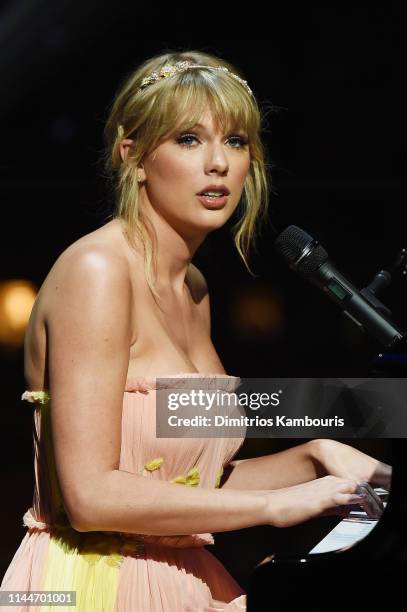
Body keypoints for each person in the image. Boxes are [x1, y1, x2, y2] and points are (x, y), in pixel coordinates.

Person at [1, 50, 391, 611]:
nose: (218, 163)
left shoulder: (195, 289)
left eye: (234, 141)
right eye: (188, 139)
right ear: (132, 156)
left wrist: (316, 457)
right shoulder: (98, 271)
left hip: (182, 582)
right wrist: (276, 506)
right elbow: (91, 497)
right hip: (94, 587)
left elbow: (185, 489)